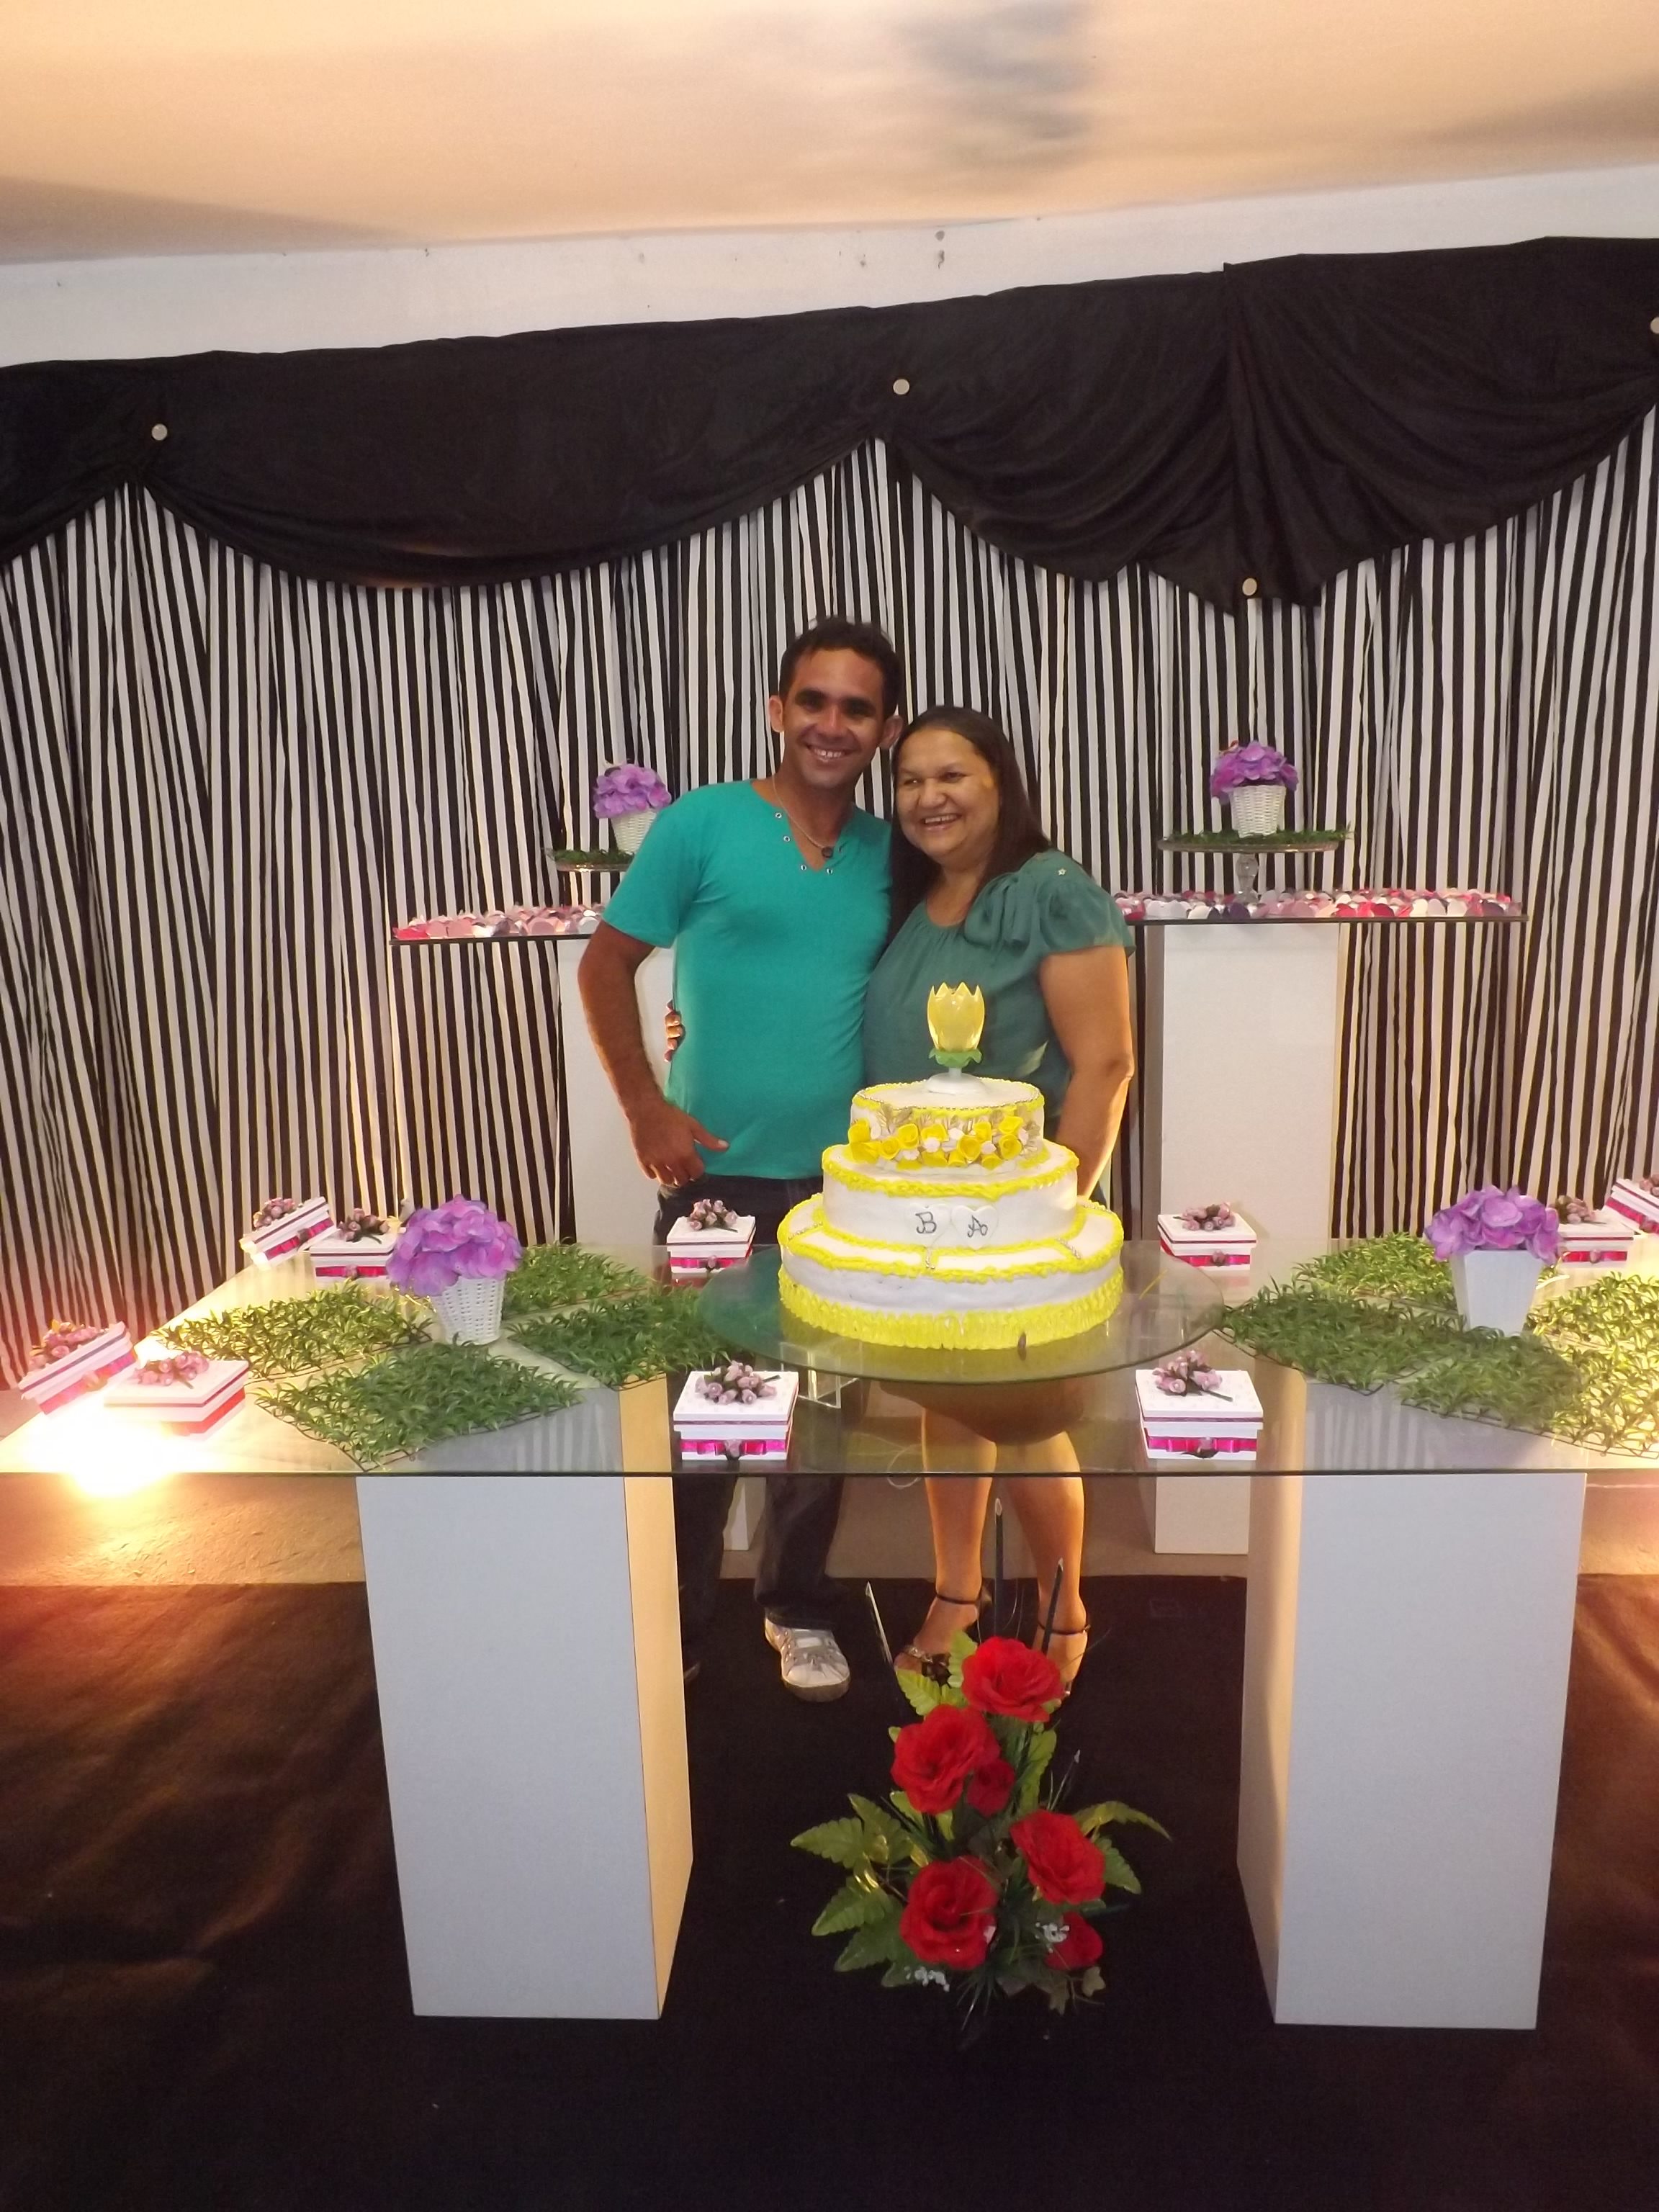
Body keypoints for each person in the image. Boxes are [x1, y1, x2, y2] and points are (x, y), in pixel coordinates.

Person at [577, 616, 904, 1700]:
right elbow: (606, 967)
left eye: (857, 708)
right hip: (712, 1179)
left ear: (884, 728)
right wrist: (645, 1107)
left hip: (847, 1189)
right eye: (814, 700)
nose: (831, 725)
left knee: (823, 1415)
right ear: (778, 710)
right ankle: (673, 1621)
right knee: (705, 1416)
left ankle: (796, 1607)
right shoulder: (702, 824)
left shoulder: (892, 854)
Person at [860, 705, 1136, 1689]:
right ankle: (958, 1590)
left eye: (952, 776)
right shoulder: (918, 894)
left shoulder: (1049, 892)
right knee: (950, 1400)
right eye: (909, 781)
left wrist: (1049, 1216)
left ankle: (1065, 1606)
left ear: (1000, 782)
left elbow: (1105, 1064)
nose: (927, 798)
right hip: (918, 1214)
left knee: (1025, 1415)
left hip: (1014, 1218)